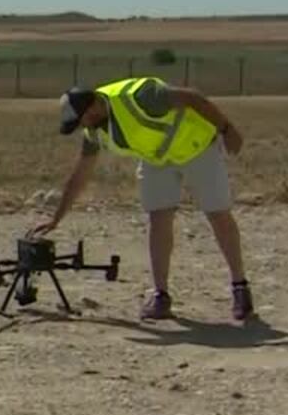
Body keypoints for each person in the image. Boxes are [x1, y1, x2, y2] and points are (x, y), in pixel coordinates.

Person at [31, 75, 254, 323]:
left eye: (81, 120)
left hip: (196, 146)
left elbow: (192, 97)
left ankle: (240, 287)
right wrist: (57, 218)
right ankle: (161, 295)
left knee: (218, 214)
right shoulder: (94, 130)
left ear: (93, 106)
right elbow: (81, 173)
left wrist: (226, 129)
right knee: (158, 218)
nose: (83, 126)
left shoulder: (141, 97)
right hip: (157, 158)